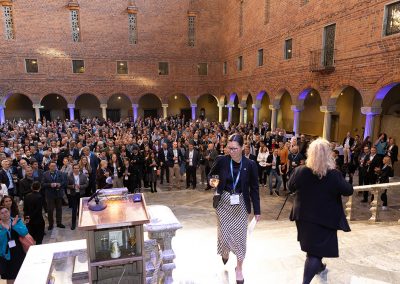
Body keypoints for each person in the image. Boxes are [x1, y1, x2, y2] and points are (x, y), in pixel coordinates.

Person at [288, 138, 353, 284]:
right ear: (328, 155)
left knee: (313, 248)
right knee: (314, 253)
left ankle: (319, 267)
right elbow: (348, 190)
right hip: (325, 219)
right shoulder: (334, 174)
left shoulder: (300, 171)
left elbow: (290, 186)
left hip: (304, 218)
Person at [209, 134, 260, 284]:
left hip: (241, 205)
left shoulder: (250, 164)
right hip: (224, 203)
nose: (231, 151)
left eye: (235, 148)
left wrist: (257, 210)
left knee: (240, 238)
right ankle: (225, 251)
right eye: (229, 148)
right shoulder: (222, 160)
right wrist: (213, 182)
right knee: (224, 235)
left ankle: (239, 268)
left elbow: (255, 189)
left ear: (243, 147)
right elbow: (211, 175)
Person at [0, 206, 28, 283]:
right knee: (10, 277)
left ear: (9, 212)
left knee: (22, 274)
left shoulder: (16, 220)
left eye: (6, 212)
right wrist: (5, 230)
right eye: (2, 213)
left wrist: (14, 226)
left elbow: (24, 232)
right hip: (6, 255)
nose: (4, 214)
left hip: (19, 252)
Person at [42, 162, 67, 230]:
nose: (53, 167)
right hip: (50, 195)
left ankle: (59, 223)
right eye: (52, 166)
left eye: (54, 166)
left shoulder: (60, 173)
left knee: (59, 209)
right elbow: (43, 184)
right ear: (49, 167)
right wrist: (50, 185)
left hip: (58, 194)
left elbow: (64, 182)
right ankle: (51, 224)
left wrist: (60, 184)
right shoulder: (45, 174)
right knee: (50, 210)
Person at [67, 164, 88, 230]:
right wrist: (72, 186)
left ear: (79, 169)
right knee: (74, 209)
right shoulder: (69, 176)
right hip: (73, 194)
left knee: (81, 209)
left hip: (81, 194)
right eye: (75, 168)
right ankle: (73, 224)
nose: (76, 169)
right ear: (73, 169)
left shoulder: (83, 176)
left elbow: (86, 184)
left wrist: (80, 186)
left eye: (77, 168)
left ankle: (82, 222)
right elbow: (66, 185)